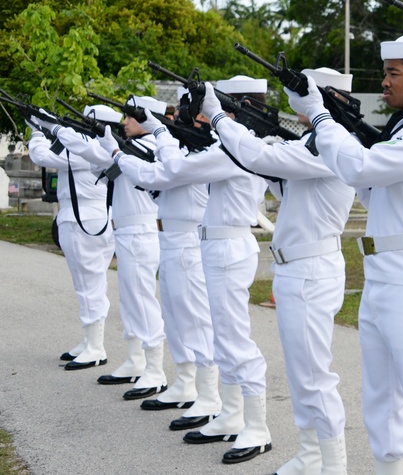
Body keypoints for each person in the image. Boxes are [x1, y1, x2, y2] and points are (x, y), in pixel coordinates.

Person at [287, 34, 403, 475]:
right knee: (382, 398)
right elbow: (369, 189)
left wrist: (322, 117)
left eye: (393, 73)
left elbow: (363, 168)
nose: (384, 82)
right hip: (384, 272)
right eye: (385, 72)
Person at [202, 67, 356, 474]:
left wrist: (216, 115)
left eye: (305, 92)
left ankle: (334, 465)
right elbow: (282, 182)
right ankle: (310, 453)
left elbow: (258, 157)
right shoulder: (314, 141)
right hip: (298, 268)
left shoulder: (332, 144)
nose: (295, 97)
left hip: (311, 270)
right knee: (301, 373)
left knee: (314, 377)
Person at [111, 76, 270, 465]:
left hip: (227, 245)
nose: (200, 118)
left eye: (209, 109)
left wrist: (159, 132)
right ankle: (231, 413)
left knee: (232, 339)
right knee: (220, 337)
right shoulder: (228, 146)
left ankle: (257, 426)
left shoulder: (236, 149)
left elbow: (177, 170)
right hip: (215, 244)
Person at [112, 91, 220, 432]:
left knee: (195, 319)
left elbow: (155, 176)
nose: (186, 120)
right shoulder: (182, 149)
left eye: (194, 114)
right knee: (175, 317)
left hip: (189, 239)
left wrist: (117, 154)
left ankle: (209, 395)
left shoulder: (202, 152)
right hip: (169, 237)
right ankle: (185, 382)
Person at [49, 101, 169, 402]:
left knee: (142, 300)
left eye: (131, 117)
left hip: (141, 232)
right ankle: (135, 359)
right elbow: (94, 155)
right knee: (129, 300)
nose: (124, 121)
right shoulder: (129, 146)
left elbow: (100, 156)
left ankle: (155, 369)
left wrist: (59, 131)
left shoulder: (153, 146)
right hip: (126, 232)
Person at [27, 107, 116, 372]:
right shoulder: (90, 147)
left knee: (89, 284)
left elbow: (41, 155)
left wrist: (37, 130)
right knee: (87, 283)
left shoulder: (91, 148)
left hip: (84, 220)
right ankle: (90, 340)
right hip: (85, 218)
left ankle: (95, 347)